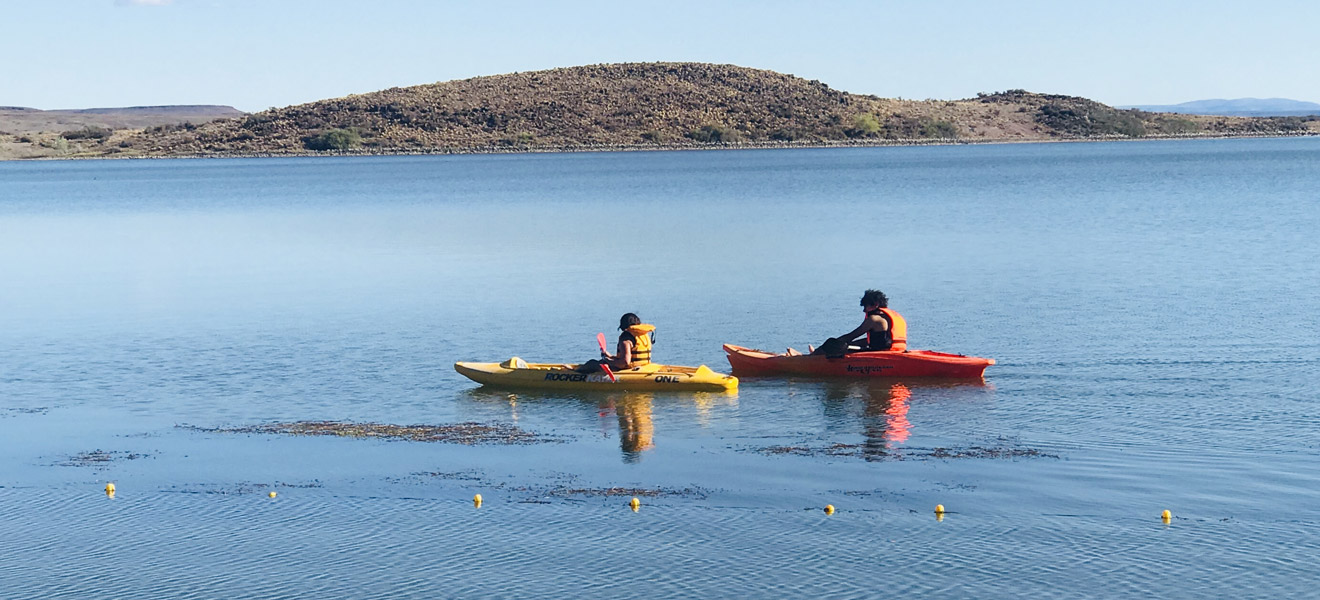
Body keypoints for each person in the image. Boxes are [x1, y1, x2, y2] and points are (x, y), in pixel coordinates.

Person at [813, 290, 907, 356]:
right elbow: (878, 341)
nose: (864, 310)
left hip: (880, 353)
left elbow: (850, 336)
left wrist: (828, 346)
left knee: (832, 344)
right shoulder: (891, 317)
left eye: (865, 306)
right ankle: (816, 354)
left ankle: (812, 356)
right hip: (898, 350)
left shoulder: (874, 319)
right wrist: (853, 344)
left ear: (875, 305)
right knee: (850, 344)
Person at [577, 313, 656, 373]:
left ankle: (574, 373)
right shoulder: (642, 334)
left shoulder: (626, 339)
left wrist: (607, 360)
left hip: (629, 369)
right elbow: (629, 357)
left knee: (593, 363)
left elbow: (625, 362)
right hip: (644, 366)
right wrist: (610, 356)